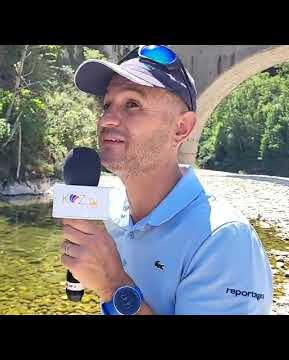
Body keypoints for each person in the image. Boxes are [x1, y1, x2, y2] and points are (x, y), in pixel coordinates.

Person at [60, 45, 273, 315]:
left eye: (132, 104)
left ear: (182, 128)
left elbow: (111, 288)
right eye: (107, 105)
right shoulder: (110, 214)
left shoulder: (224, 240)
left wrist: (113, 286)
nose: (107, 120)